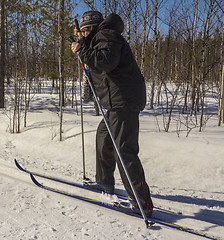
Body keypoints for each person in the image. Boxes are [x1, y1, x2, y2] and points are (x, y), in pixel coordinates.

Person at [71, 11, 154, 217]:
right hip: (118, 101)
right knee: (104, 138)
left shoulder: (107, 35)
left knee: (123, 150)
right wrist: (83, 46)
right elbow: (97, 58)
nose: (84, 33)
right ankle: (105, 183)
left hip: (123, 100)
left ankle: (141, 204)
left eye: (87, 29)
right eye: (82, 31)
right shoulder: (100, 38)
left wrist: (82, 48)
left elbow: (105, 61)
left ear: (96, 27)